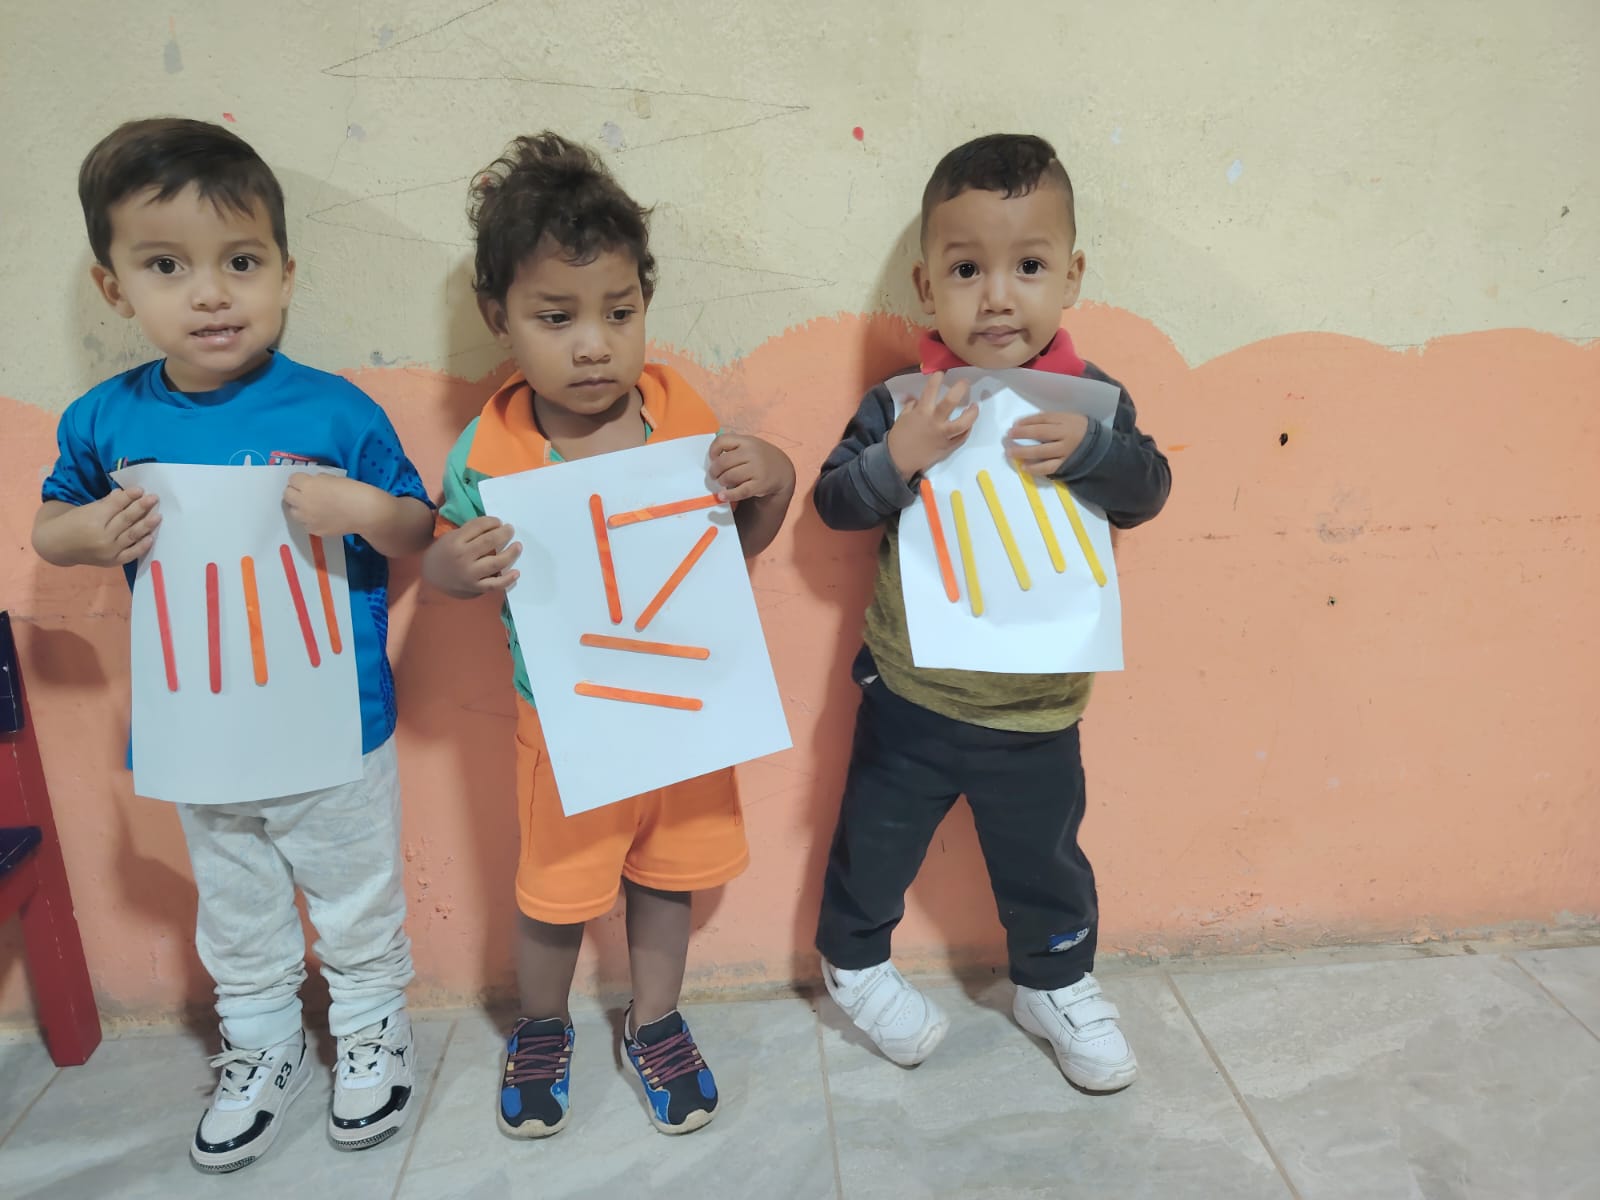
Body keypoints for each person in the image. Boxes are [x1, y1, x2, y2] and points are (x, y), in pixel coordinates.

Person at [32, 118, 434, 1171]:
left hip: (338, 719)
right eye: (167, 266)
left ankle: (370, 1029)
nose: (210, 294)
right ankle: (260, 1044)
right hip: (200, 723)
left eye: (241, 263)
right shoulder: (105, 421)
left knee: (356, 892)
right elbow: (49, 526)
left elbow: (416, 527)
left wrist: (362, 508)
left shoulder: (335, 411)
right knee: (236, 899)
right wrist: (86, 533)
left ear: (286, 275)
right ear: (115, 287)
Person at [425, 132, 795, 1137]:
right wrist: (451, 566)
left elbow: (728, 556)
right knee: (555, 894)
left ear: (644, 305)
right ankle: (542, 1025)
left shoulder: (681, 416)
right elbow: (448, 565)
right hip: (567, 726)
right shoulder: (490, 451)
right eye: (557, 317)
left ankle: (656, 1019)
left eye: (618, 313)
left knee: (668, 880)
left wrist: (774, 479)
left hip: (681, 711)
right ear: (499, 318)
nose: (593, 344)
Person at [812, 133, 1170, 1092]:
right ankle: (853, 960)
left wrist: (1096, 451)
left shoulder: (1094, 402)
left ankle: (1054, 982)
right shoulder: (903, 402)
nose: (998, 297)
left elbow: (1149, 491)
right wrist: (901, 456)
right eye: (967, 270)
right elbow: (835, 503)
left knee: (1045, 862)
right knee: (872, 844)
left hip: (1039, 709)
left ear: (1072, 276)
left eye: (1029, 267)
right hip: (912, 699)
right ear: (927, 286)